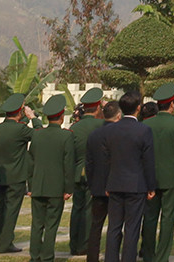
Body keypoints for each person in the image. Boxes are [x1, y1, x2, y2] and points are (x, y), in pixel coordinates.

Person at [96, 93, 156, 262]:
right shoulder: (144, 130)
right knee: (132, 228)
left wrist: (107, 183)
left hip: (115, 183)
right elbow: (148, 161)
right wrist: (151, 186)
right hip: (136, 185)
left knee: (114, 227)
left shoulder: (110, 130)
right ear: (138, 108)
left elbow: (106, 159)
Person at [140, 84, 174, 262]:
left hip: (150, 177)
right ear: (172, 104)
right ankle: (162, 256)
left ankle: (148, 254)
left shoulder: (147, 123)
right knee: (168, 219)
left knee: (150, 218)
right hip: (171, 177)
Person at [28, 95, 76, 262]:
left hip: (38, 186)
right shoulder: (66, 136)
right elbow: (68, 165)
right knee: (51, 226)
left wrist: (30, 185)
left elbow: (31, 160)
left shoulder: (37, 134)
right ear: (62, 116)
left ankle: (34, 256)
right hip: (56, 188)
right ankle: (47, 257)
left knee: (36, 225)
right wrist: (69, 189)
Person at [0, 95, 31, 257]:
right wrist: (33, 118)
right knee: (11, 211)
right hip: (16, 177)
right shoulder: (20, 129)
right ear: (20, 112)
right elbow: (38, 134)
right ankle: (5, 243)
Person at [84, 101, 122, 262]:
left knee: (96, 226)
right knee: (116, 226)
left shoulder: (94, 135)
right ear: (119, 116)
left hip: (98, 187)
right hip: (117, 187)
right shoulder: (121, 134)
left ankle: (92, 257)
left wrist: (92, 185)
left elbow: (89, 164)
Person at [71, 89, 106, 257]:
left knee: (77, 209)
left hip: (77, 172)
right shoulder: (102, 125)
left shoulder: (74, 127)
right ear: (98, 107)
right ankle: (83, 245)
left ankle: (74, 243)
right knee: (89, 210)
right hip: (96, 173)